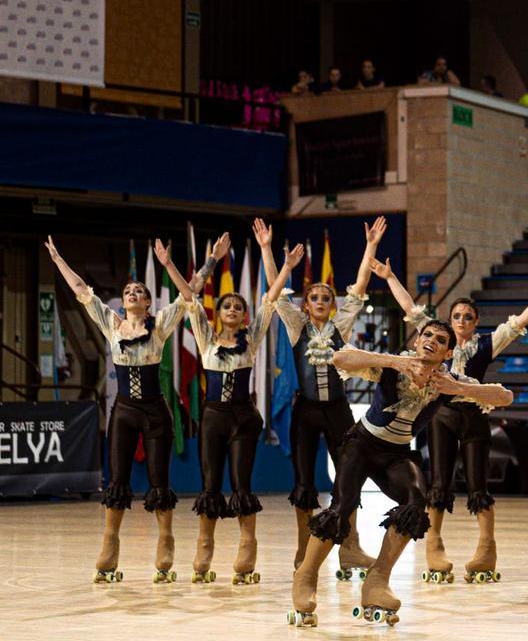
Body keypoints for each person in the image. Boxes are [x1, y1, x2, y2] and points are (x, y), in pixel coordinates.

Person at [289, 324, 513, 627]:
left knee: (415, 501)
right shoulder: (393, 366)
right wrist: (395, 362)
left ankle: (377, 580)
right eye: (427, 335)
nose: (431, 341)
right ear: (417, 341)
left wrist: (460, 389)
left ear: (448, 352)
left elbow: (504, 397)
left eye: (440, 340)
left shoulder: (449, 381)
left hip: (396, 453)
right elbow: (340, 358)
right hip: (362, 445)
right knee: (342, 506)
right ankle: (306, 575)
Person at [47, 235, 221, 584]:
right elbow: (81, 290)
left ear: (148, 301)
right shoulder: (111, 324)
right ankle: (110, 542)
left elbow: (190, 291)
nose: (132, 293)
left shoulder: (161, 324)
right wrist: (58, 260)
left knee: (159, 480)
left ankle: (166, 539)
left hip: (156, 411)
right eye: (128, 290)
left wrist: (211, 260)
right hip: (124, 412)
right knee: (117, 480)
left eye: (139, 291)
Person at [406, 278, 528, 584]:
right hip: (442, 416)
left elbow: (522, 319)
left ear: (476, 322)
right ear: (450, 320)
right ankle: (434, 543)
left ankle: (487, 547)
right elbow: (410, 309)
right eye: (456, 316)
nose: (461, 321)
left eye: (468, 317)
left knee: (478, 485)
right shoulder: (439, 342)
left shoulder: (486, 344)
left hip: (475, 415)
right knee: (439, 482)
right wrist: (389, 278)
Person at [254, 217, 380, 574]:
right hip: (306, 412)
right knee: (303, 483)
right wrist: (267, 249)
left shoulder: (341, 326)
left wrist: (370, 246)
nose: (321, 301)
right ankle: (303, 548)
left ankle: (350, 546)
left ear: (332, 304)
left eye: (326, 297)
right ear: (306, 305)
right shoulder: (297, 326)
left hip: (338, 410)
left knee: (349, 474)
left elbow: (359, 286)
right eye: (314, 297)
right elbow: (275, 293)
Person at [185, 238, 301, 585]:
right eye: (227, 306)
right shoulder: (205, 338)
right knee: (209, 483)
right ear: (218, 313)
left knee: (241, 482)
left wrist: (285, 266)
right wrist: (209, 261)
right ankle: (205, 543)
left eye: (238, 307)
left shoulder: (250, 339)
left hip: (242, 419)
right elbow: (189, 296)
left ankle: (248, 543)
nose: (233, 309)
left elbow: (270, 301)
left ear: (244, 315)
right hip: (212, 418)